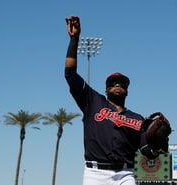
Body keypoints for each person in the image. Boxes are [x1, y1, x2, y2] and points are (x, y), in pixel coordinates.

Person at [64, 16, 166, 185]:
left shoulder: (138, 119)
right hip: (95, 174)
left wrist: (157, 148)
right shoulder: (92, 102)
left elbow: (147, 151)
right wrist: (74, 40)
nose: (117, 85)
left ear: (127, 90)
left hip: (125, 173)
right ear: (106, 89)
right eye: (113, 83)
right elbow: (70, 74)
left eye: (122, 83)